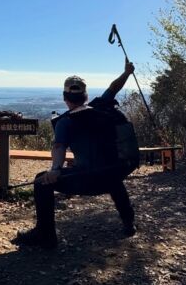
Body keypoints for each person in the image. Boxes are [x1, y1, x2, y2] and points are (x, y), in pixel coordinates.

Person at [13, 60, 138, 249]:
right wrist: (127, 72)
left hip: (87, 181)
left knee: (41, 182)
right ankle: (129, 223)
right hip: (114, 175)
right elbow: (114, 87)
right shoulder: (102, 107)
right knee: (111, 171)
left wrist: (55, 169)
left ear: (65, 97)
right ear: (86, 96)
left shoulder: (66, 121)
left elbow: (59, 147)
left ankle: (45, 235)